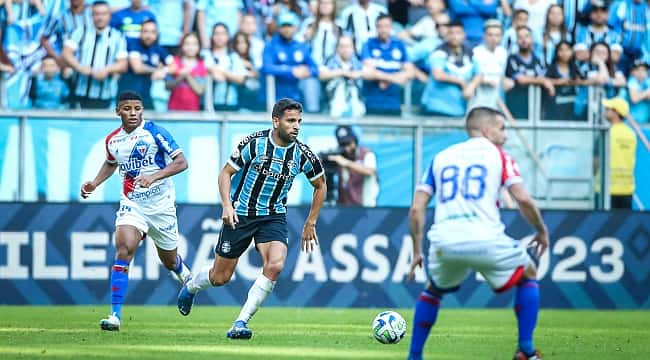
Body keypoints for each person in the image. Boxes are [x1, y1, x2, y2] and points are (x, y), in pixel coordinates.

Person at [406, 106, 549, 360]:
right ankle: (526, 349)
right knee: (528, 273)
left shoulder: (440, 157)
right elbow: (524, 200)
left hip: (444, 242)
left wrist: (417, 251)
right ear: (486, 130)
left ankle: (414, 356)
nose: (505, 135)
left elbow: (417, 209)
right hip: (486, 238)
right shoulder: (499, 156)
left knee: (433, 290)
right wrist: (541, 230)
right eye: (502, 128)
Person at [177, 98, 327, 339]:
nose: (296, 126)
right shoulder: (254, 143)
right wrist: (227, 205)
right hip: (242, 214)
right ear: (276, 121)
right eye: (290, 121)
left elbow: (320, 185)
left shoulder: (302, 154)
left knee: (276, 265)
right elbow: (226, 173)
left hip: (273, 216)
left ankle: (240, 322)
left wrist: (311, 222)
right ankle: (191, 286)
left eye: (299, 121)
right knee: (220, 277)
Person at [80, 91, 192, 331]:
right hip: (133, 204)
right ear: (118, 111)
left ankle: (184, 274)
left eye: (137, 108)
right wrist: (94, 183)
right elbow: (111, 163)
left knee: (169, 261)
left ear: (142, 109)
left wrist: (154, 177)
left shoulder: (155, 132)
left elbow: (181, 162)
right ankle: (115, 316)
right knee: (124, 249)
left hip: (161, 206)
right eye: (127, 108)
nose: (133, 113)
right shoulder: (113, 140)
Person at [597, 98, 637, 209]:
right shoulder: (631, 134)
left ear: (616, 113)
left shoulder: (605, 132)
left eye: (608, 109)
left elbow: (596, 162)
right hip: (627, 190)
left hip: (605, 189)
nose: (605, 111)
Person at [327, 125, 379, 207]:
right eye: (343, 145)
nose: (347, 148)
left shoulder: (367, 154)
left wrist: (346, 163)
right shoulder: (340, 156)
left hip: (366, 208)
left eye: (348, 143)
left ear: (355, 141)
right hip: (344, 208)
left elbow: (370, 171)